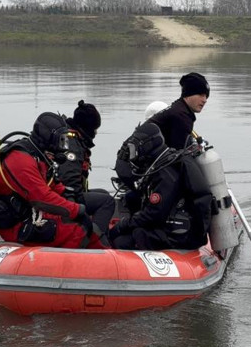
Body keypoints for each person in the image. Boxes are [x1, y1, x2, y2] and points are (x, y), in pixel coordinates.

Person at [0, 111, 104, 249]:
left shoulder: (37, 155)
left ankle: (106, 258)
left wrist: (67, 194)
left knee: (90, 228)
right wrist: (76, 210)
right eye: (61, 139)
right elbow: (41, 199)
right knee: (79, 229)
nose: (63, 144)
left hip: (33, 215)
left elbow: (51, 183)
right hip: (18, 226)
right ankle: (70, 265)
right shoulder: (21, 161)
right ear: (49, 137)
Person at [107, 122, 213, 251]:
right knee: (131, 201)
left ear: (147, 146)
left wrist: (122, 226)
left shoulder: (166, 173)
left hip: (181, 235)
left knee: (120, 242)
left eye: (136, 149)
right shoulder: (164, 161)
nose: (135, 154)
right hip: (175, 228)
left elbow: (154, 214)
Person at [114, 72, 210, 192]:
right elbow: (178, 155)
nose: (205, 100)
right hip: (134, 169)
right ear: (188, 94)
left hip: (127, 163)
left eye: (206, 96)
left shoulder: (178, 109)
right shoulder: (181, 116)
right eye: (201, 94)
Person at [57, 100, 114, 247]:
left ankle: (101, 232)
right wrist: (76, 208)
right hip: (67, 197)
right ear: (87, 127)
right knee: (108, 202)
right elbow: (69, 180)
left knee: (104, 194)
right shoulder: (73, 145)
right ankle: (96, 241)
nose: (95, 132)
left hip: (68, 192)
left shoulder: (68, 137)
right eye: (95, 128)